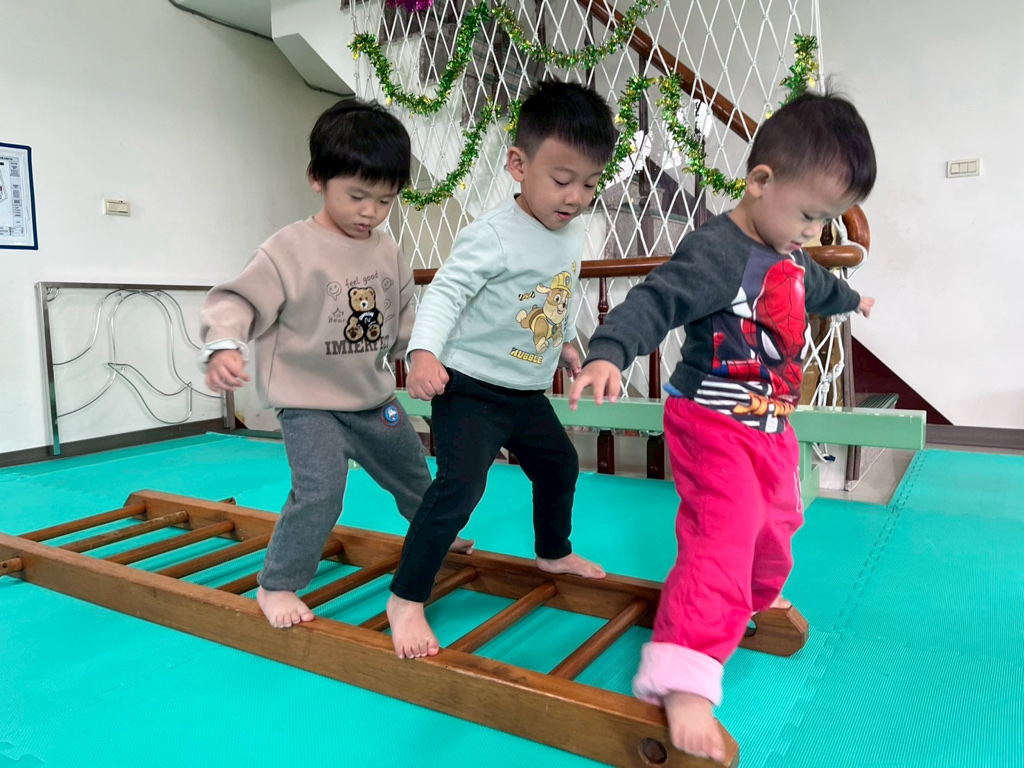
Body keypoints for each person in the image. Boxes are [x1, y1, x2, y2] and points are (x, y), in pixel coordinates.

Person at [568, 90, 877, 763]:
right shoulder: (717, 252)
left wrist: (854, 298)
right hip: (712, 420)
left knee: (779, 522)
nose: (812, 233)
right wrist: (608, 353)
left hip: (771, 425)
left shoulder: (790, 252)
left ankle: (746, 602)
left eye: (825, 221)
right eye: (808, 215)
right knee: (724, 534)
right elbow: (653, 300)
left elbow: (818, 285)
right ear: (760, 181)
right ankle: (683, 675)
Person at [200, 99, 471, 630]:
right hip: (309, 407)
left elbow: (403, 319)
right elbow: (238, 300)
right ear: (317, 179)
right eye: (357, 196)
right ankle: (277, 584)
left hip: (372, 400)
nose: (370, 211)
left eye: (385, 200)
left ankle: (436, 532)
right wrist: (225, 344)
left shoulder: (387, 251)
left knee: (415, 473)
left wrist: (424, 356)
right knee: (321, 492)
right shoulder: (287, 250)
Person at [385, 80, 619, 660]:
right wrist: (423, 353)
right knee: (460, 487)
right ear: (518, 165)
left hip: (525, 391)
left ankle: (553, 552)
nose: (576, 197)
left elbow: (556, 295)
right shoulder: (491, 235)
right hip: (470, 388)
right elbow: (445, 294)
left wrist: (564, 346)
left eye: (590, 183)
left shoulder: (571, 232)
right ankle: (405, 598)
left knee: (559, 465)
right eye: (562, 180)